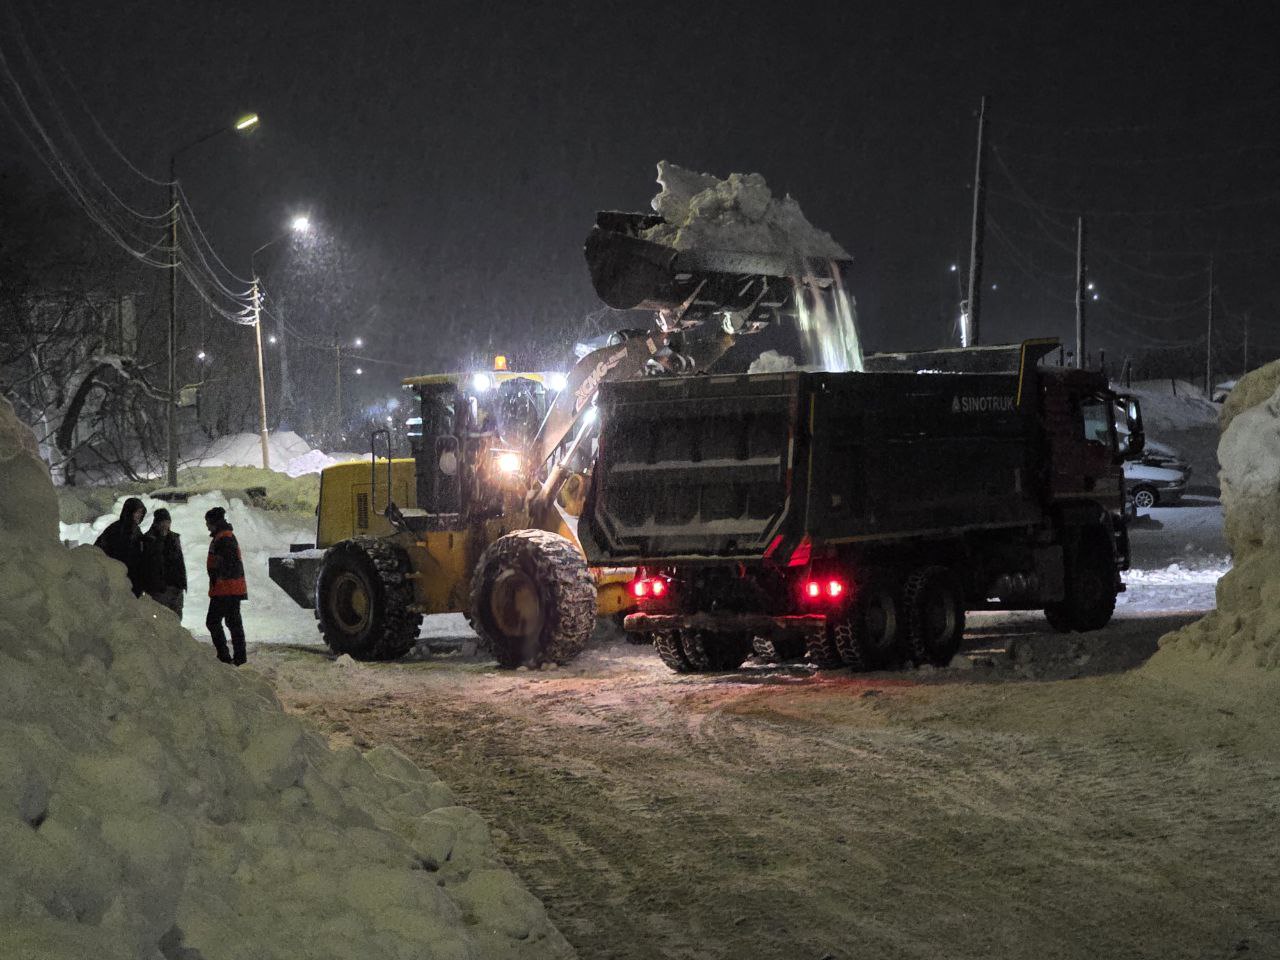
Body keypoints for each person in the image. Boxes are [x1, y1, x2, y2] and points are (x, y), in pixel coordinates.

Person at [204, 506, 248, 665]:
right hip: (231, 588)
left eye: (207, 522)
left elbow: (228, 565)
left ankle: (224, 656)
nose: (207, 526)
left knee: (213, 621)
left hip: (225, 589)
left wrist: (218, 576)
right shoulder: (225, 536)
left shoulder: (224, 538)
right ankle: (239, 658)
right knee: (233, 623)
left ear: (214, 522)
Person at [94, 497, 147, 597]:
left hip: (133, 581)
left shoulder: (137, 531)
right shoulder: (115, 529)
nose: (139, 515)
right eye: (137, 512)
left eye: (141, 512)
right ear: (129, 511)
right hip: (117, 581)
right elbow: (98, 551)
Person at [141, 508, 187, 617]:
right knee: (161, 617)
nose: (166, 525)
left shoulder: (174, 538)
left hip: (176, 587)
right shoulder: (148, 539)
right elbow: (150, 562)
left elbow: (179, 562)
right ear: (156, 523)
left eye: (168, 522)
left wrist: (182, 583)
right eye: (163, 522)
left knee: (176, 617)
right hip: (159, 588)